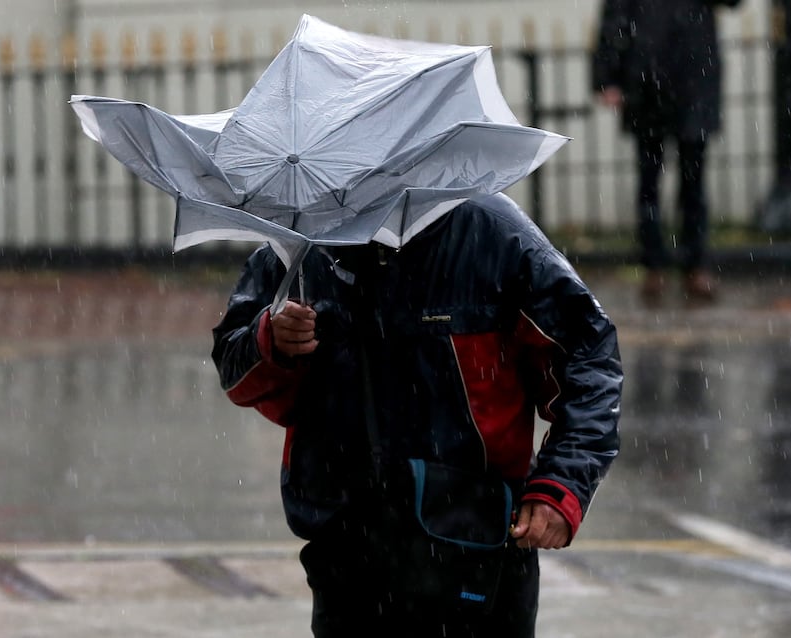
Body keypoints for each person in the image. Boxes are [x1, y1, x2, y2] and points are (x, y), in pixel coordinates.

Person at [211, 193, 623, 637]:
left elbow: (588, 360)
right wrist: (271, 340)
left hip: (477, 542)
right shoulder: (301, 243)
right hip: (348, 545)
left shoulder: (493, 233)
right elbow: (234, 369)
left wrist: (562, 485)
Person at [592, 0, 742, 301]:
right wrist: (606, 76)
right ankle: (656, 265)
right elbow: (614, 18)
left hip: (691, 78)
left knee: (692, 183)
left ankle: (693, 264)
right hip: (649, 82)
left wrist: (608, 73)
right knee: (651, 182)